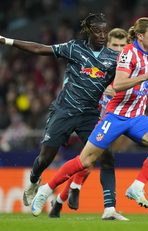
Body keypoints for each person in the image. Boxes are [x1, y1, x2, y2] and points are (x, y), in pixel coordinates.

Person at [30, 17, 148, 218]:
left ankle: (136, 187)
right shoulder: (127, 53)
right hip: (114, 116)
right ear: (140, 36)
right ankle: (47, 189)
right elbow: (119, 84)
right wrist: (146, 77)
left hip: (136, 116)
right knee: (84, 161)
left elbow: (147, 72)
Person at [0, 13, 127, 220]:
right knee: (46, 158)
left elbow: (135, 73)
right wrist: (8, 40)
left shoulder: (113, 58)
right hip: (65, 109)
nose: (101, 35)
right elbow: (39, 49)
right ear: (89, 31)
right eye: (97, 31)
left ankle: (109, 209)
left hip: (90, 113)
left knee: (106, 156)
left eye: (104, 31)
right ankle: (34, 180)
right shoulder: (74, 48)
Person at [48, 28, 129, 220]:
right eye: (115, 45)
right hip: (86, 116)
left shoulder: (126, 71)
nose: (118, 49)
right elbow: (71, 86)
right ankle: (71, 189)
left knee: (88, 163)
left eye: (122, 46)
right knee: (89, 160)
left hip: (107, 121)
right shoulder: (99, 64)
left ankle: (59, 200)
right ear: (108, 46)